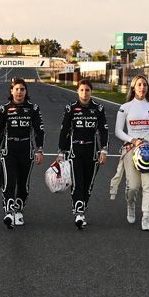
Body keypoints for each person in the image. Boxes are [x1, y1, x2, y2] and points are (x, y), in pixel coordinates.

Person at [110, 74, 149, 231]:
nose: (142, 87)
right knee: (133, 186)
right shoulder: (125, 107)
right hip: (131, 148)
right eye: (139, 84)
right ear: (133, 87)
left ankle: (146, 217)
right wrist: (133, 140)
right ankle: (130, 204)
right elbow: (118, 131)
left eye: (145, 85)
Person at [0, 77, 45, 228]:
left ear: (26, 92)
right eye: (16, 89)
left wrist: (39, 150)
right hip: (9, 151)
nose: (19, 92)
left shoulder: (33, 109)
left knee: (23, 184)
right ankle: (8, 212)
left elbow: (39, 131)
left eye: (22, 89)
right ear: (11, 91)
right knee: (9, 182)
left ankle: (19, 211)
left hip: (27, 151)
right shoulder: (4, 109)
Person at [58, 79, 109, 229]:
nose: (84, 93)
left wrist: (104, 150)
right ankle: (79, 213)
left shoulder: (99, 109)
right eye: (82, 90)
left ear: (91, 91)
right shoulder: (71, 109)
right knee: (78, 182)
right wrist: (61, 152)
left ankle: (81, 208)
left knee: (88, 185)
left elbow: (104, 131)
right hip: (75, 152)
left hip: (92, 152)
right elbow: (64, 131)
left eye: (87, 90)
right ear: (77, 91)